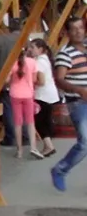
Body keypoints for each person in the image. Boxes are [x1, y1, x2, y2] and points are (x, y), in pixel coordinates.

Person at [52, 18, 87, 191]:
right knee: (85, 142)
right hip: (78, 103)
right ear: (67, 33)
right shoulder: (65, 54)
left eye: (81, 28)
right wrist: (79, 90)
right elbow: (59, 79)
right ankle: (60, 170)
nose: (78, 31)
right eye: (74, 29)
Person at [6, 48, 43, 159]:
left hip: (15, 94)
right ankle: (33, 147)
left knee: (18, 123)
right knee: (30, 122)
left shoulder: (12, 62)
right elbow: (34, 79)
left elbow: (6, 80)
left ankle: (19, 151)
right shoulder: (32, 62)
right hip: (28, 94)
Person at [0, 18, 19, 146]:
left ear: (9, 27)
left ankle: (11, 137)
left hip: (5, 78)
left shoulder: (0, 39)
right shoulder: (27, 40)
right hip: (24, 80)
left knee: (8, 108)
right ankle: (24, 136)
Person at [30, 39, 59, 157]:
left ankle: (49, 146)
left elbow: (41, 81)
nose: (30, 50)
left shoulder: (39, 62)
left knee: (39, 122)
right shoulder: (45, 59)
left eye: (32, 47)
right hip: (50, 95)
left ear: (40, 49)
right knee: (45, 120)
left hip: (42, 95)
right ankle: (48, 145)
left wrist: (29, 82)